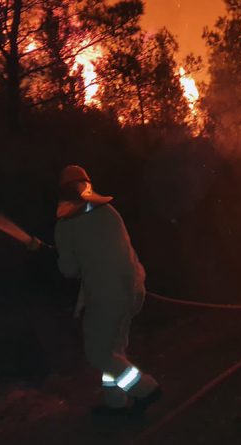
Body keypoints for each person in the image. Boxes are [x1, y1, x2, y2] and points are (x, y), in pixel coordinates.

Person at [54, 165, 161, 414]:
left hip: (104, 296)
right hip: (133, 289)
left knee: (98, 354)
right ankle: (115, 403)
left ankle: (145, 389)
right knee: (114, 351)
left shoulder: (66, 225)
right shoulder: (109, 212)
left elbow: (69, 270)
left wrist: (61, 257)